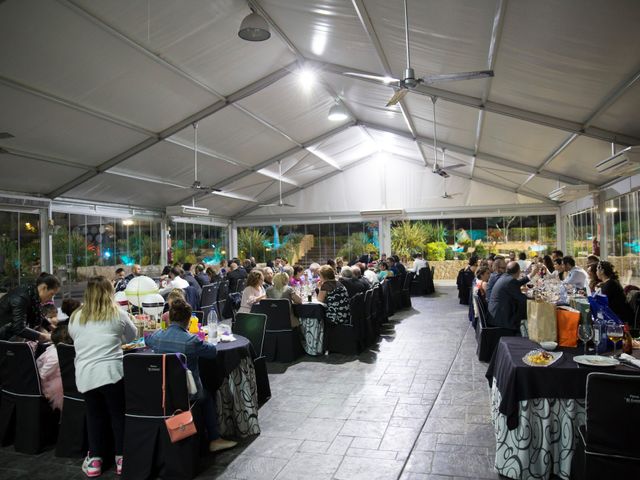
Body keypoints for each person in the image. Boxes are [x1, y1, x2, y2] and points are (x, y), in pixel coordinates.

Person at [145, 299, 237, 453]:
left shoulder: (157, 336)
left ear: (171, 318)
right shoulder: (192, 341)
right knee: (208, 394)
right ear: (189, 320)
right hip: (189, 392)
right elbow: (212, 352)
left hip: (164, 391)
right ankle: (214, 438)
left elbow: (147, 339)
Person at [68, 276, 137, 477]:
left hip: (86, 375)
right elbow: (132, 336)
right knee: (117, 416)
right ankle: (121, 459)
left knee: (94, 416)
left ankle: (95, 462)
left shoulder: (76, 317)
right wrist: (118, 338)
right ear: (110, 292)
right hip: (112, 373)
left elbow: (76, 339)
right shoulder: (118, 313)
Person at [0, 273, 60, 342]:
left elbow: (38, 313)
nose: (51, 299)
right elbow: (19, 329)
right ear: (44, 288)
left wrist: (54, 330)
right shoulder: (21, 298)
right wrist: (46, 337)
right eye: (51, 294)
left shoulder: (32, 293)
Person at [37, 320, 73, 412]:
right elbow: (42, 374)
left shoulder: (53, 348)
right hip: (48, 384)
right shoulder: (56, 355)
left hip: (48, 377)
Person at [488, 262, 527, 333]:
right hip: (501, 318)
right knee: (523, 306)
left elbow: (517, 284)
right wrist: (534, 298)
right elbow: (522, 299)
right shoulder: (510, 281)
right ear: (518, 271)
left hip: (495, 315)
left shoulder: (505, 277)